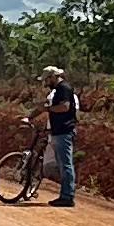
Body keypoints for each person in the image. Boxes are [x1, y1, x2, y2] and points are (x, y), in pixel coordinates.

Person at [36, 63, 83, 204]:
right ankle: (65, 195)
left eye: (47, 79)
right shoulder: (59, 89)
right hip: (59, 131)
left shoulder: (64, 88)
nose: (46, 83)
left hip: (64, 131)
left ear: (52, 77)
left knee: (65, 164)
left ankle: (67, 197)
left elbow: (64, 107)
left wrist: (48, 109)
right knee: (63, 164)